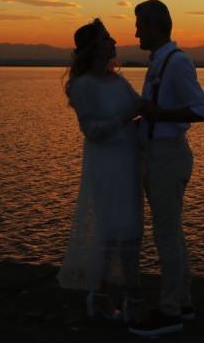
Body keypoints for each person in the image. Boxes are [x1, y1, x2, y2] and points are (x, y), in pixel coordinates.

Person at [128, 0, 204, 337]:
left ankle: (169, 311)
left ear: (155, 26)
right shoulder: (161, 62)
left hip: (168, 156)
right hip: (160, 154)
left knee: (165, 234)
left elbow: (203, 110)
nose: (135, 32)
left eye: (139, 25)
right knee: (171, 232)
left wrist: (155, 115)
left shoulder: (176, 64)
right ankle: (183, 302)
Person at [57, 19, 143, 322]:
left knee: (132, 229)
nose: (114, 42)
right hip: (106, 166)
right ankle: (105, 295)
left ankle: (128, 297)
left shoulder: (117, 80)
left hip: (129, 161)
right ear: (94, 47)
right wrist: (126, 117)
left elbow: (139, 106)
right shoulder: (83, 86)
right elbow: (92, 130)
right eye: (107, 38)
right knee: (111, 232)